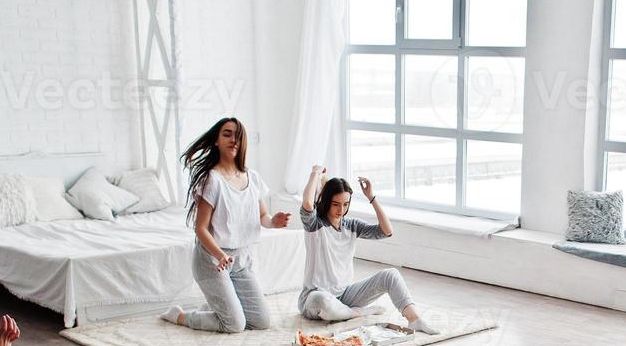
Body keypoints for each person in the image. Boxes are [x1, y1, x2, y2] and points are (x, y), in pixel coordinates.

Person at [163, 117, 290, 332]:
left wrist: (273, 222)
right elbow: (200, 228)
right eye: (227, 134)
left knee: (261, 321)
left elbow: (263, 217)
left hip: (241, 260)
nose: (234, 139)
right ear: (216, 141)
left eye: (238, 135)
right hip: (212, 260)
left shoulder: (252, 177)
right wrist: (220, 255)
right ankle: (181, 316)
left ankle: (220, 305)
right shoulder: (211, 179)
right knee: (234, 325)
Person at [296, 164, 439, 334]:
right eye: (335, 204)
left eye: (345, 204)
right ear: (327, 202)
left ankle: (415, 319)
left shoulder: (352, 226)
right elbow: (307, 202)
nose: (341, 210)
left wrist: (371, 197)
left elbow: (387, 231)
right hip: (314, 298)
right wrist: (315, 173)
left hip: (346, 295)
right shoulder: (315, 224)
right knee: (323, 301)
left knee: (390, 275)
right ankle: (358, 313)